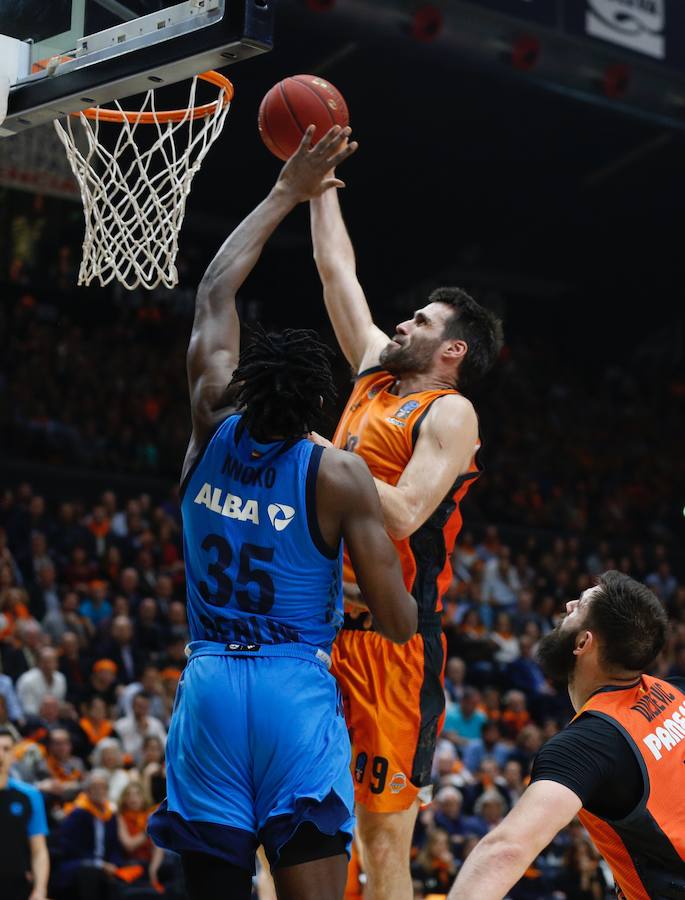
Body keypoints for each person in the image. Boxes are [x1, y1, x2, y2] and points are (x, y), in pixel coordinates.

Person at [147, 124, 417, 900]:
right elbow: (399, 623)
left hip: (210, 691)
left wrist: (282, 193)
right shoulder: (336, 473)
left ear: (245, 384)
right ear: (318, 403)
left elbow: (214, 292)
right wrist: (342, 587)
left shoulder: (207, 425)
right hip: (294, 692)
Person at [309, 161, 503, 899]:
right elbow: (336, 273)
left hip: (395, 647)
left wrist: (315, 447)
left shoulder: (447, 414)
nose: (401, 323)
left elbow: (401, 512)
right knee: (291, 818)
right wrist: (319, 186)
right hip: (321, 626)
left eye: (421, 321)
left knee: (380, 839)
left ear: (450, 352)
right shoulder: (373, 377)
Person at [449, 570, 685, 899]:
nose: (569, 603)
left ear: (583, 643)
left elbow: (507, 849)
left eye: (579, 607)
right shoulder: (675, 691)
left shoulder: (588, 744)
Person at [0, 726, 50, 900]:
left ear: (14, 755)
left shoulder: (29, 795)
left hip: (17, 885)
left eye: (6, 749)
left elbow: (39, 850)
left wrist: (40, 890)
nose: (0, 755)